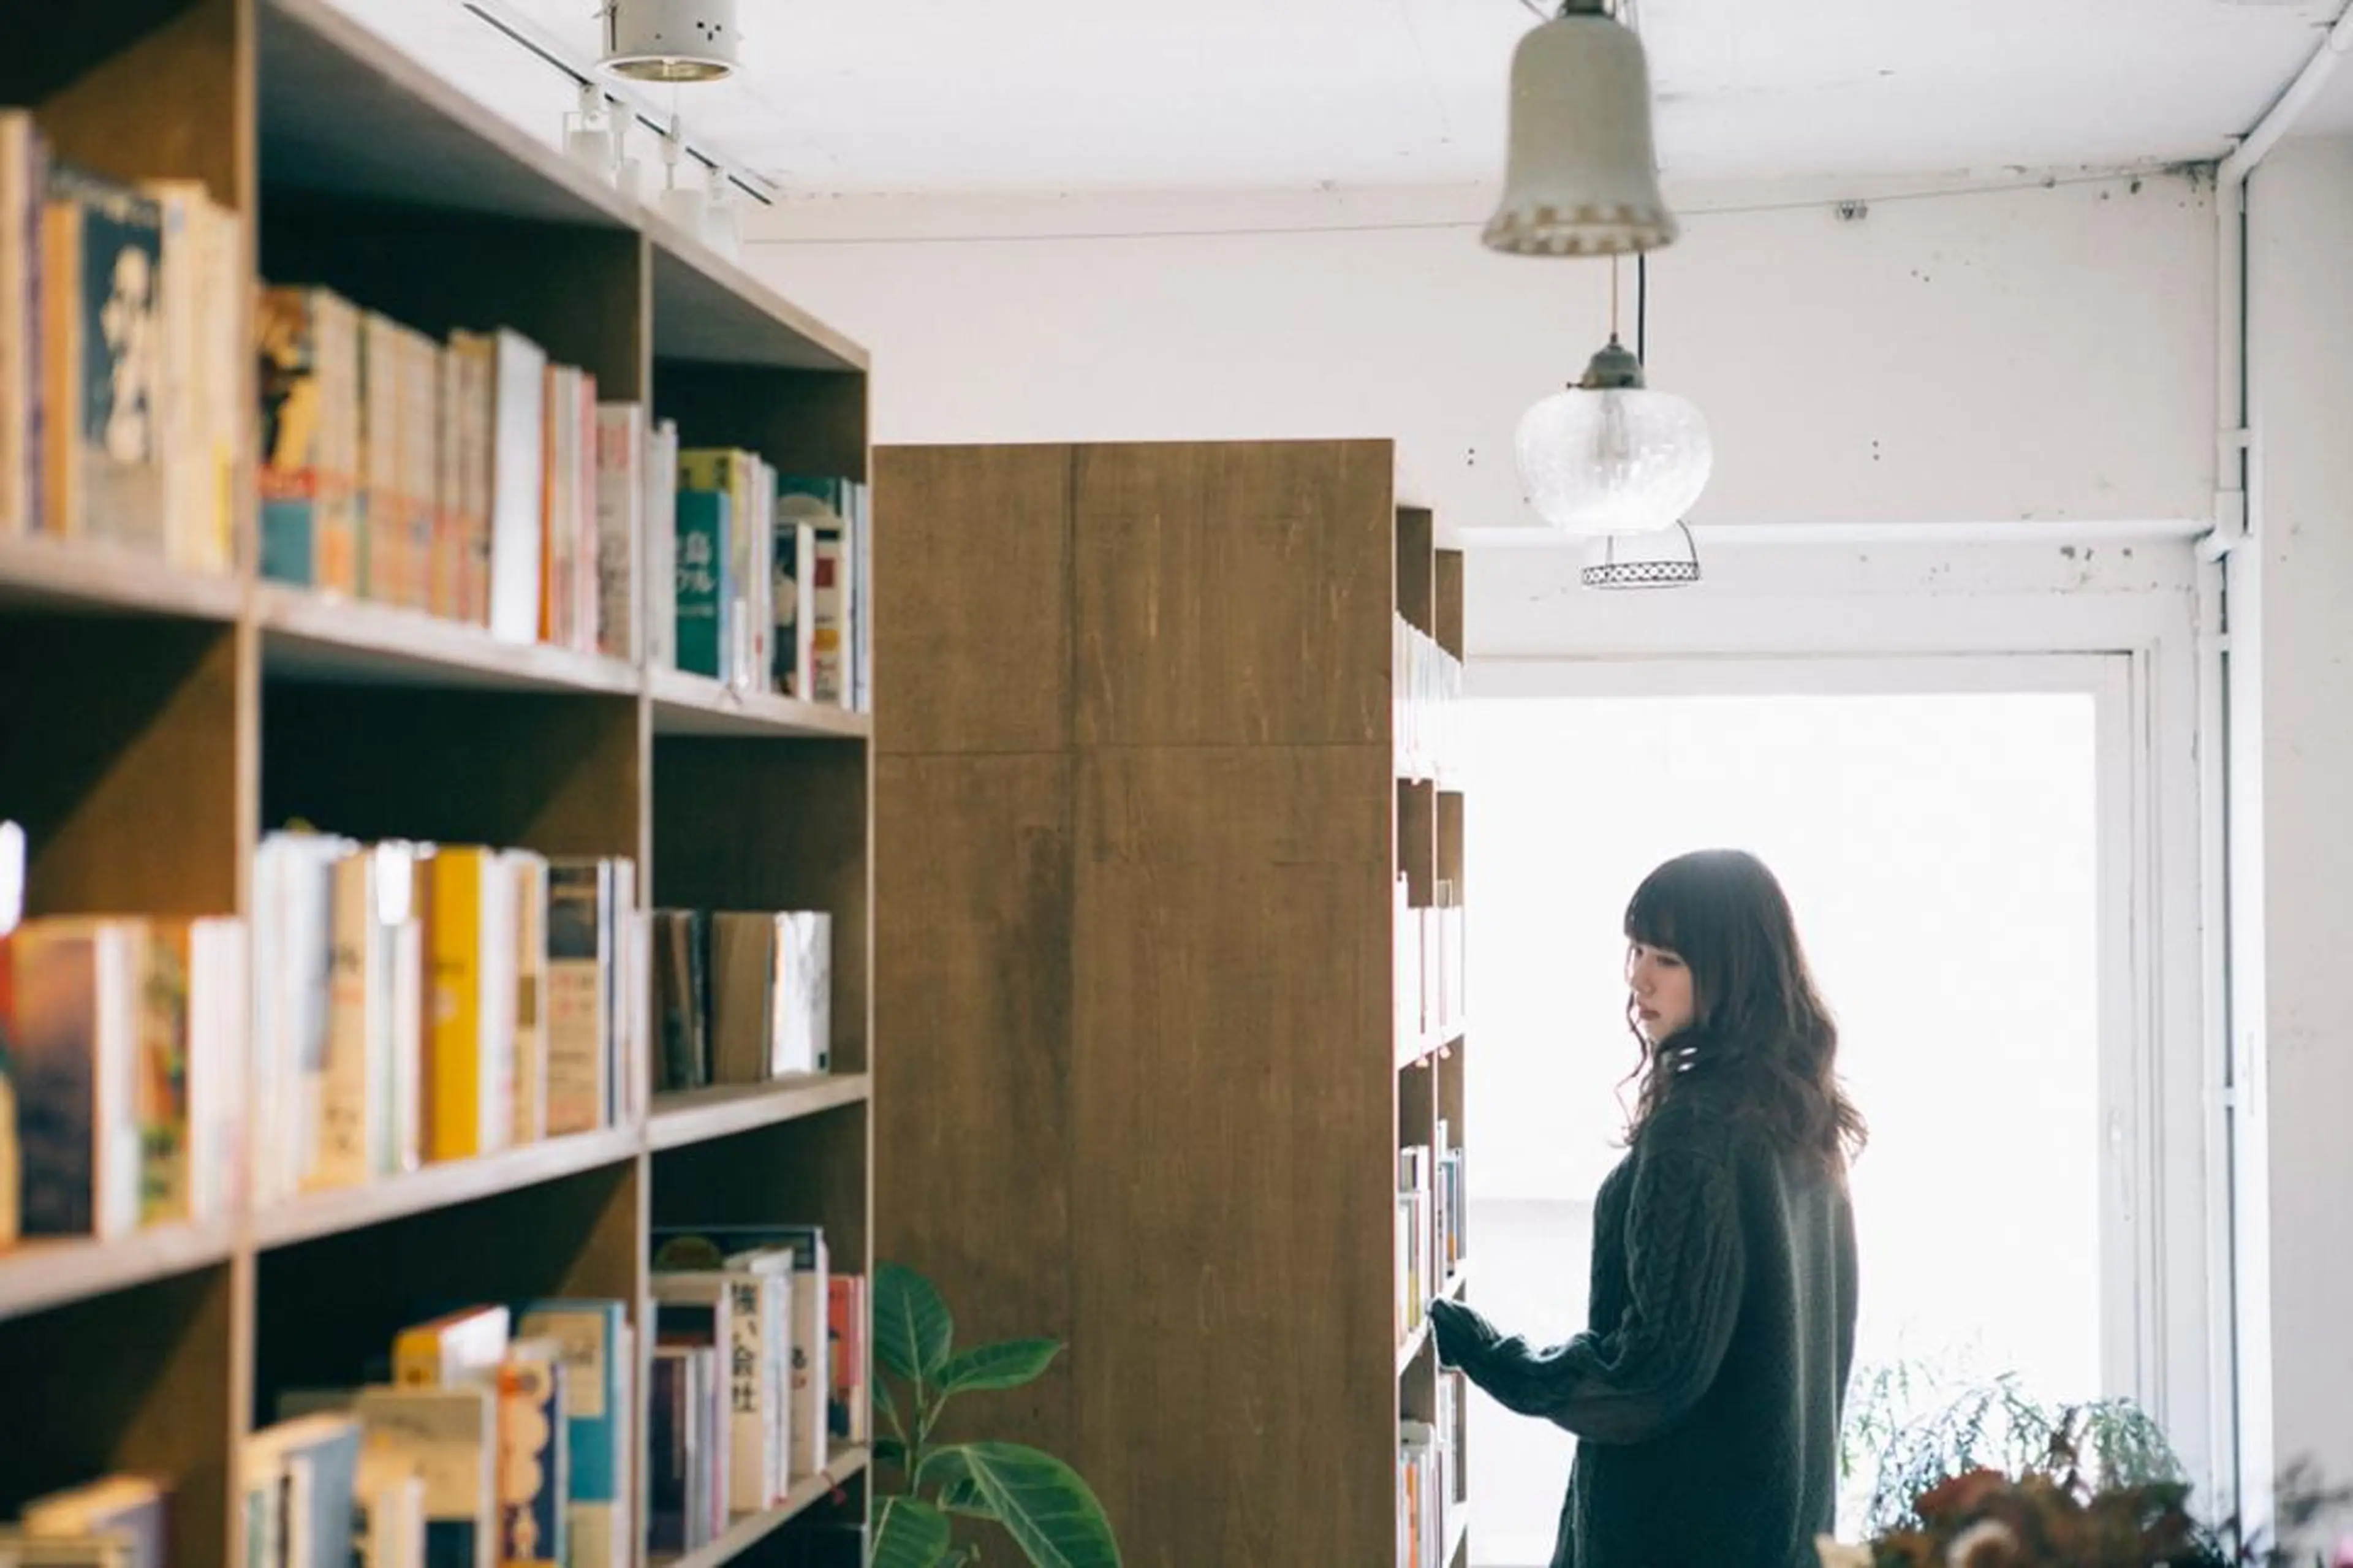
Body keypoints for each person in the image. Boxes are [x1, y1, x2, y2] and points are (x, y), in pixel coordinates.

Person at [1428, 847, 1864, 1568]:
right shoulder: (1802, 1117)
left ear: (1734, 969)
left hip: (1678, 1536)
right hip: (1780, 1532)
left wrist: (1485, 1353)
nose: (1638, 979)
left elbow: (1648, 1377)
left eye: (1668, 958)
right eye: (1636, 950)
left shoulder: (1697, 1133)